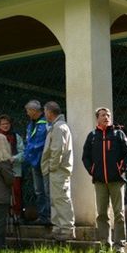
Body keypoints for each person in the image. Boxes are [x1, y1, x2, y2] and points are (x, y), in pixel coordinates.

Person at [81, 107, 127, 253]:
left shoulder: (118, 134)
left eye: (108, 115)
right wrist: (93, 170)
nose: (106, 117)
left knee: (119, 214)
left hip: (116, 181)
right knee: (102, 214)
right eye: (103, 115)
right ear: (97, 118)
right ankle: (105, 245)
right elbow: (85, 157)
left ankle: (119, 247)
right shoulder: (92, 136)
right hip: (99, 182)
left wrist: (120, 168)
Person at [40, 101, 75, 241]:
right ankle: (58, 228)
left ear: (49, 112)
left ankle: (66, 229)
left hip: (58, 170)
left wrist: (51, 167)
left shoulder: (59, 127)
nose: (44, 114)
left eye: (45, 111)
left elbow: (57, 150)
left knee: (61, 199)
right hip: (57, 170)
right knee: (56, 199)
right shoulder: (58, 126)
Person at [23, 100, 51, 225]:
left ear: (34, 111)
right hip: (34, 162)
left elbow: (38, 143)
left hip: (43, 161)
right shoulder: (31, 124)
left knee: (47, 190)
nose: (27, 113)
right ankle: (42, 215)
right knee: (38, 190)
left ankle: (49, 216)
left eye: (28, 111)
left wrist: (27, 153)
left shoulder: (45, 124)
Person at [0, 115, 25, 218]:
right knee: (1, 193)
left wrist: (14, 158)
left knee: (16, 192)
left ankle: (17, 214)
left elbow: (23, 153)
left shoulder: (16, 137)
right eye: (3, 124)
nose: (6, 126)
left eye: (7, 123)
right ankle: (2, 214)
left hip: (14, 169)